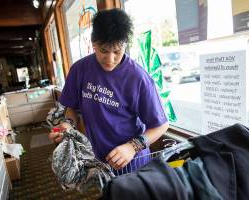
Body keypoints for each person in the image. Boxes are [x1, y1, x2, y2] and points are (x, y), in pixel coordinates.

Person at [49, 8, 169, 172]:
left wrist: (132, 147)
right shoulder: (80, 70)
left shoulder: (138, 78)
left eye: (117, 51)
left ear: (125, 45)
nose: (110, 59)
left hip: (133, 163)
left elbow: (161, 126)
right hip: (98, 160)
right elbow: (71, 108)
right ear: (93, 43)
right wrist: (68, 125)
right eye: (103, 50)